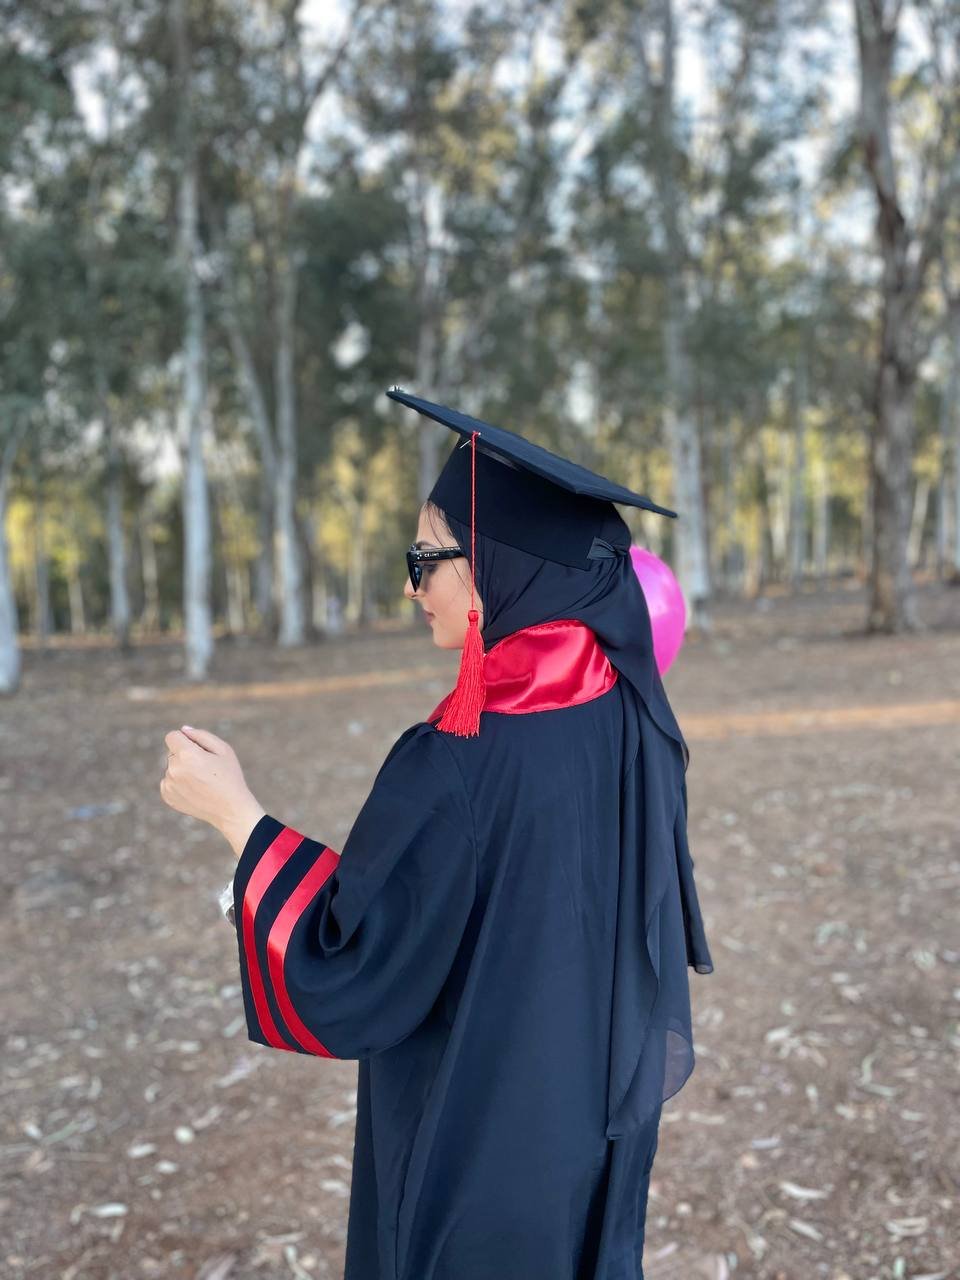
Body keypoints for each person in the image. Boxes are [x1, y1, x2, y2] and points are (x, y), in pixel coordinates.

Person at [159, 389, 714, 1280]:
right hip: (588, 1128)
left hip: (475, 1141)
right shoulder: (632, 719)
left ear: (496, 566)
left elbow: (352, 959)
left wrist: (236, 817)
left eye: (426, 557)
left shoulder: (456, 759)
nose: (411, 584)